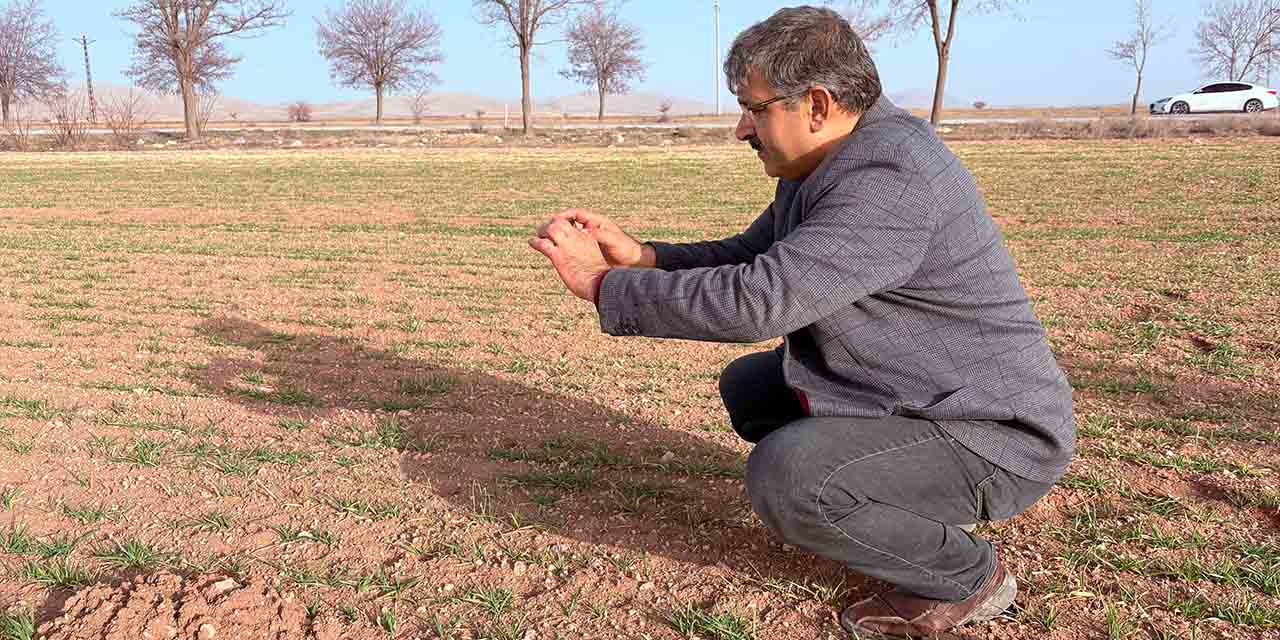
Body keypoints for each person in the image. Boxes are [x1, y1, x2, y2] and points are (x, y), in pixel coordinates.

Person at [528, 5, 1074, 638]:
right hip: (921, 393)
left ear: (816, 104)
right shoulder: (832, 160)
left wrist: (601, 285)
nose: (741, 129)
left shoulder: (890, 176)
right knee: (754, 390)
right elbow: (755, 255)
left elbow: (760, 300)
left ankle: (964, 575)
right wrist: (644, 258)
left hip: (994, 434)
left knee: (786, 476)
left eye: (755, 109)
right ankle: (877, 492)